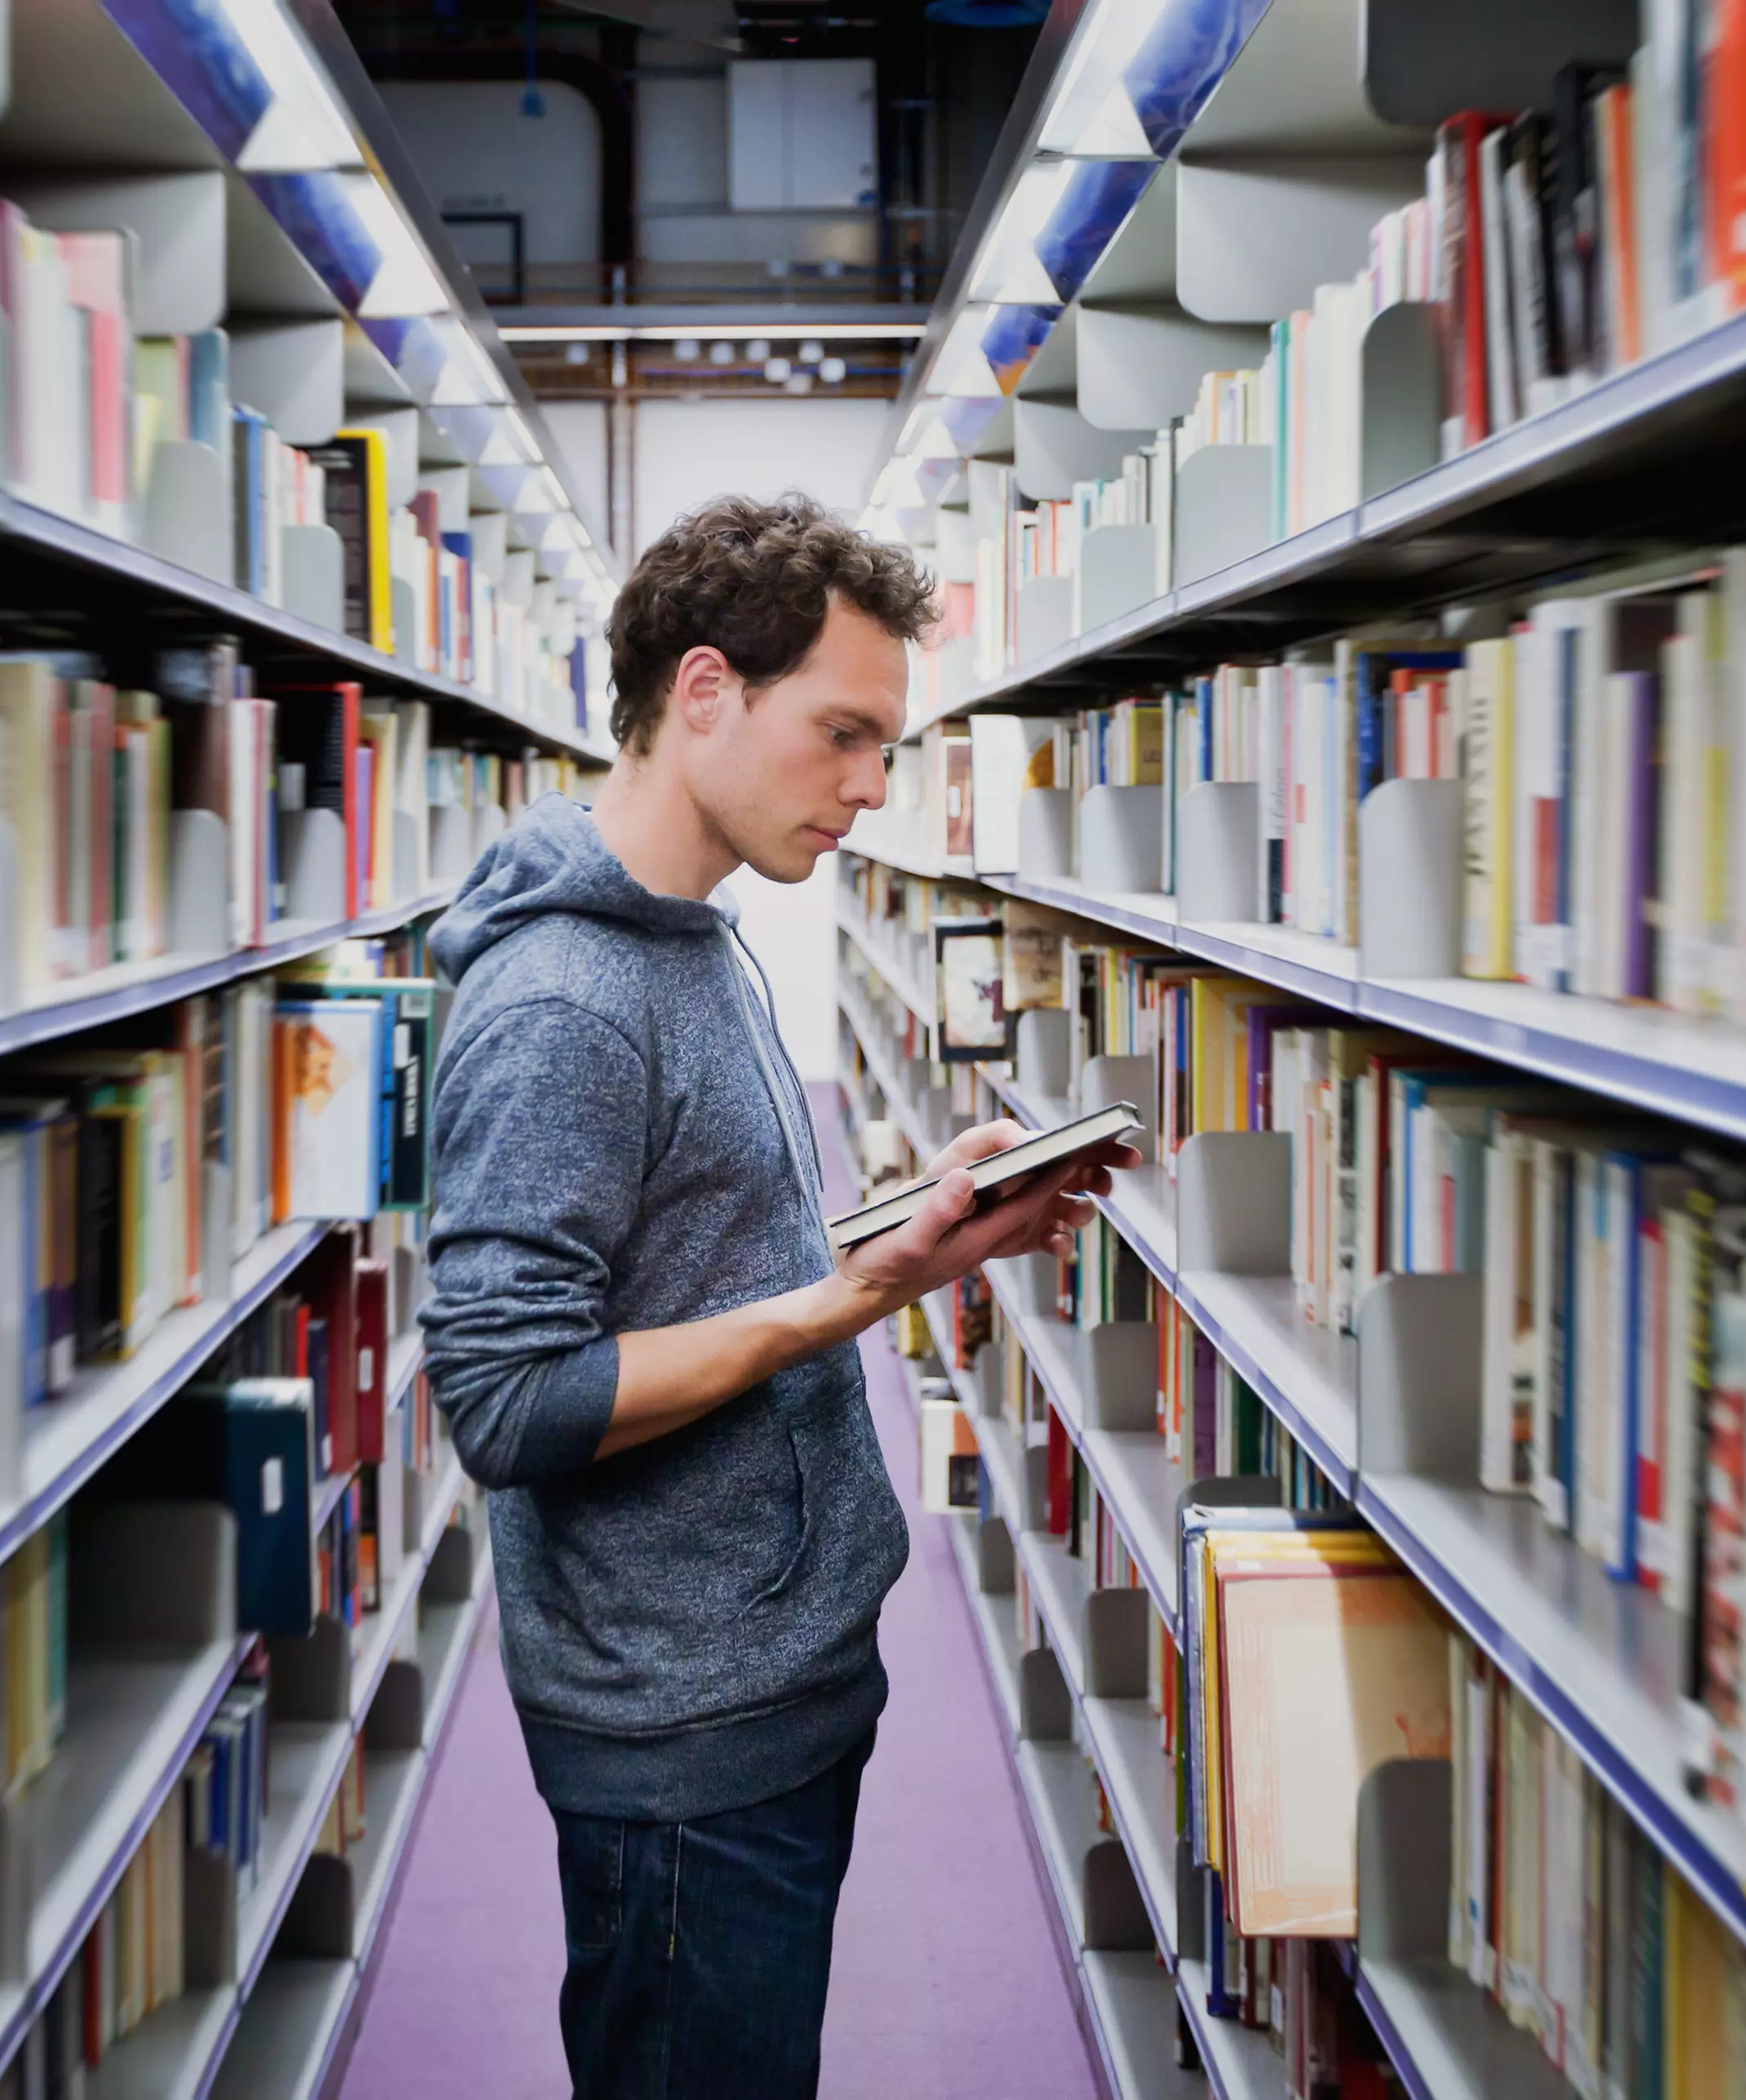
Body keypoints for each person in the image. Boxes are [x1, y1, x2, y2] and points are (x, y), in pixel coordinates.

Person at [415, 492, 1133, 2099]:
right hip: (681, 1723)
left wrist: (911, 1231)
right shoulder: (563, 1004)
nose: (876, 786)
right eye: (845, 734)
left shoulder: (697, 931)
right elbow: (511, 1401)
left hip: (771, 1660)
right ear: (705, 692)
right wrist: (851, 1295)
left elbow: (703, 1252)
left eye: (890, 743)